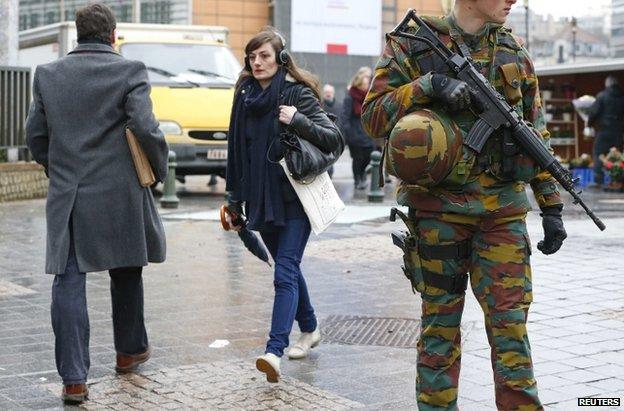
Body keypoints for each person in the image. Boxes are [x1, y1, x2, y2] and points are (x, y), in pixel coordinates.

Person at [362, 0, 567, 409]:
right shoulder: (413, 45)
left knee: (510, 331)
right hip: (438, 214)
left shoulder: (514, 52)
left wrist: (552, 205)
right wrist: (428, 87)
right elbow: (372, 117)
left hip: (502, 216)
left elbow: (534, 134)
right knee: (440, 329)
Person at [25, 3, 168, 404]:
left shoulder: (48, 74)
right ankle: (129, 351)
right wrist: (158, 168)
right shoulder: (130, 70)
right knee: (126, 271)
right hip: (120, 191)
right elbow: (146, 127)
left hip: (69, 193)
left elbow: (35, 134)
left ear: (76, 34)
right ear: (112, 35)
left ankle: (74, 379)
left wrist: (57, 167)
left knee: (68, 280)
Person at [225, 27, 343, 383]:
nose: (257, 62)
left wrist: (297, 119)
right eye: (252, 56)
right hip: (261, 198)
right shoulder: (244, 96)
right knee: (287, 268)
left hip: (295, 199)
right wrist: (233, 198)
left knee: (284, 271)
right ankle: (309, 327)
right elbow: (236, 152)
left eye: (264, 55)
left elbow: (334, 139)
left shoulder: (295, 94)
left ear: (280, 57)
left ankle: (274, 351)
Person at [341, 67, 376, 190]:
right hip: (354, 134)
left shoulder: (369, 97)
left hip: (367, 133)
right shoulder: (350, 97)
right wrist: (350, 134)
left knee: (368, 156)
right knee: (357, 158)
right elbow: (345, 117)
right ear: (359, 83)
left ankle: (362, 174)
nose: (367, 86)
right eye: (365, 84)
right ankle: (358, 179)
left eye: (368, 84)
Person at [588, 75, 624, 186]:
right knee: (617, 155)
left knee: (599, 153)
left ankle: (598, 181)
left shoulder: (602, 96)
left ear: (607, 84)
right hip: (618, 132)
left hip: (604, 131)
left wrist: (589, 124)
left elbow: (593, 113)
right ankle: (617, 181)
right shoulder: (622, 97)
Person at [321, 84, 342, 178]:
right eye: (326, 92)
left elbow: (342, 121)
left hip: (334, 136)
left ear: (333, 93)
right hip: (321, 136)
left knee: (332, 158)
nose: (328, 94)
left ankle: (330, 174)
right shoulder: (319, 105)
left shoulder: (339, 106)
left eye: (330, 92)